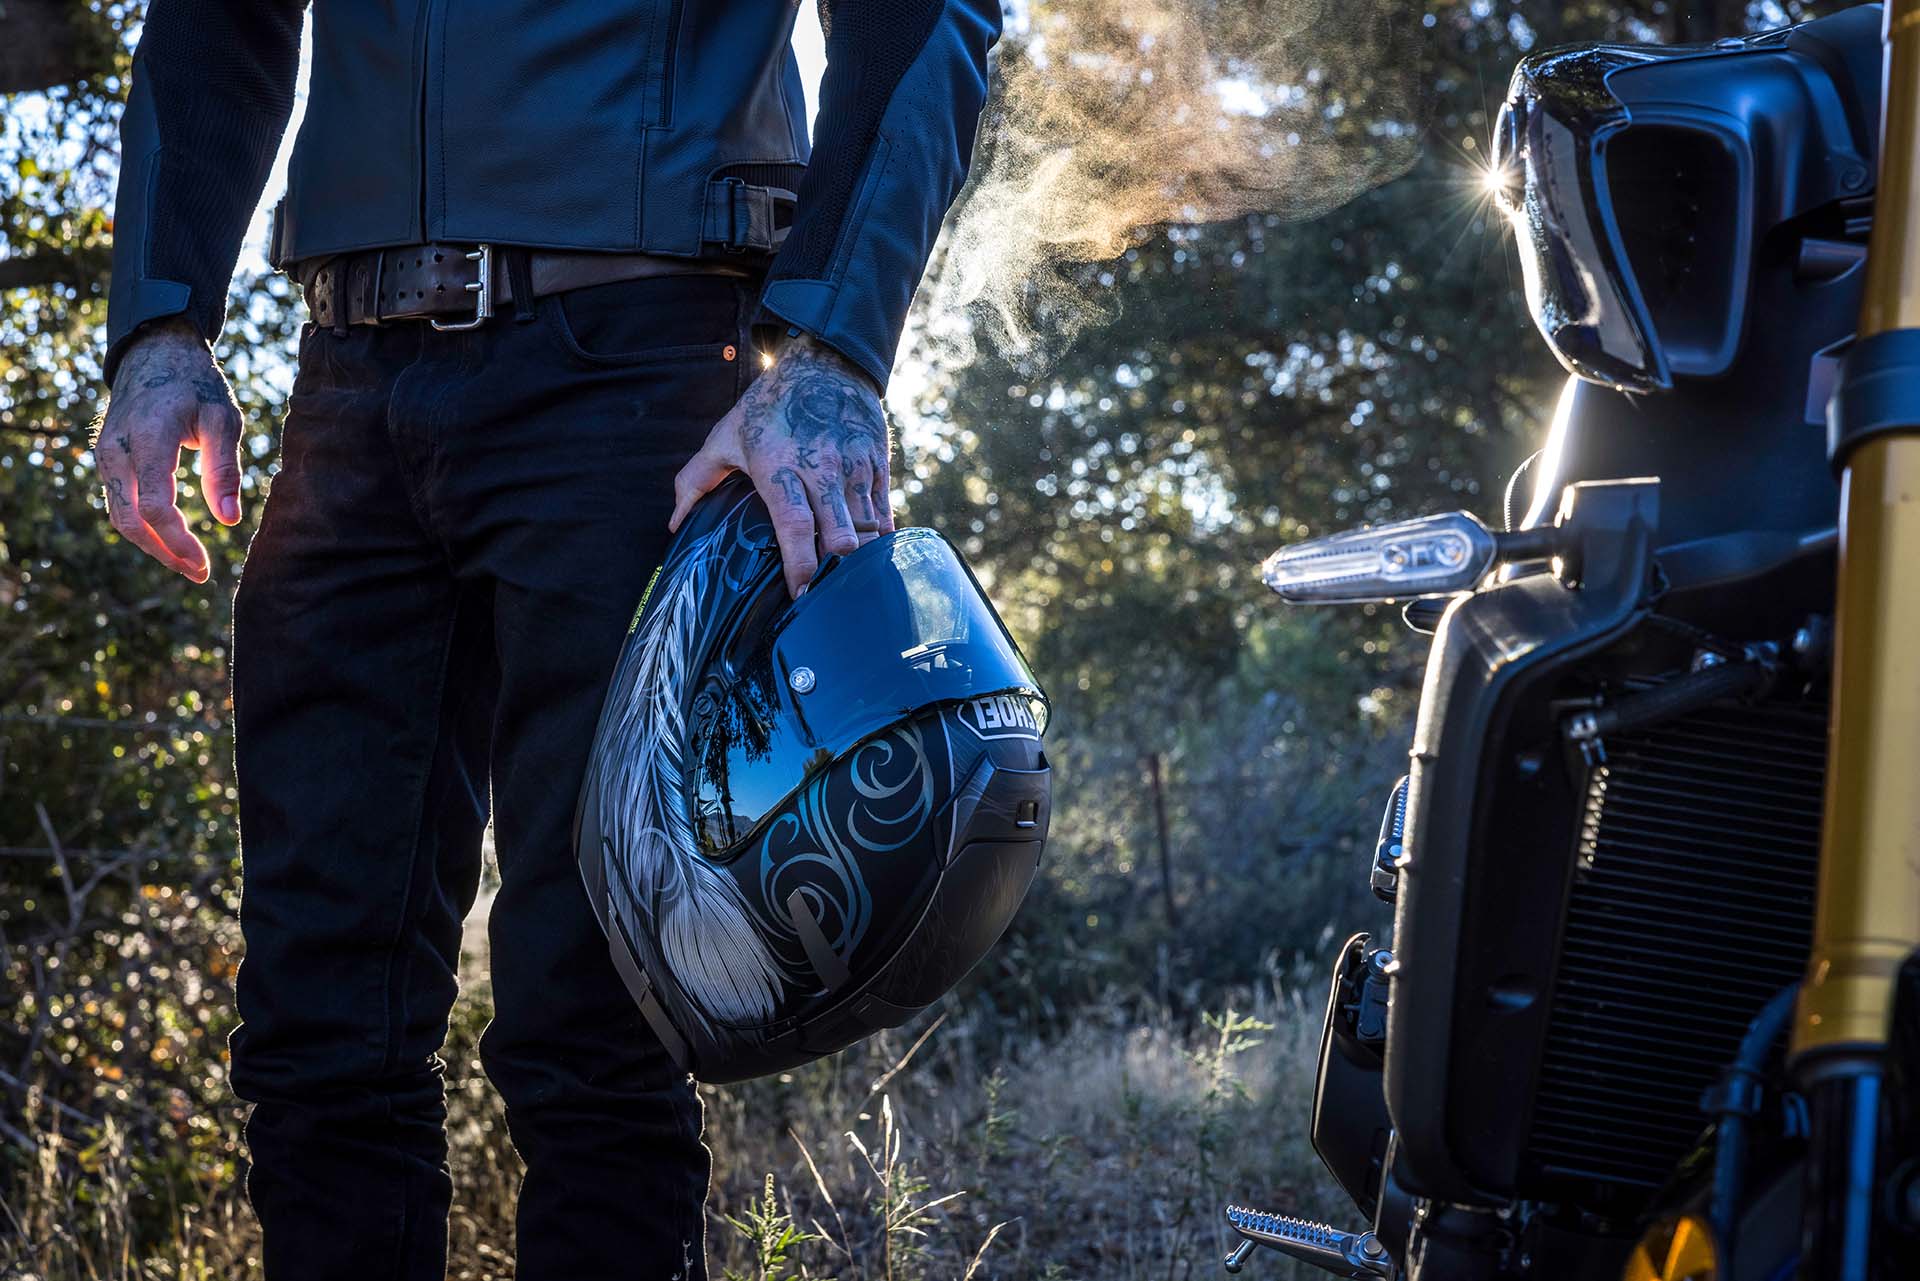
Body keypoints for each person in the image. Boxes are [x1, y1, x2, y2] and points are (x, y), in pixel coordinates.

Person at [92, 2, 1000, 1277]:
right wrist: (162, 322)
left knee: (595, 1009)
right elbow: (212, 23)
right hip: (345, 389)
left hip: (640, 373)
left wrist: (837, 349)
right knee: (315, 1015)